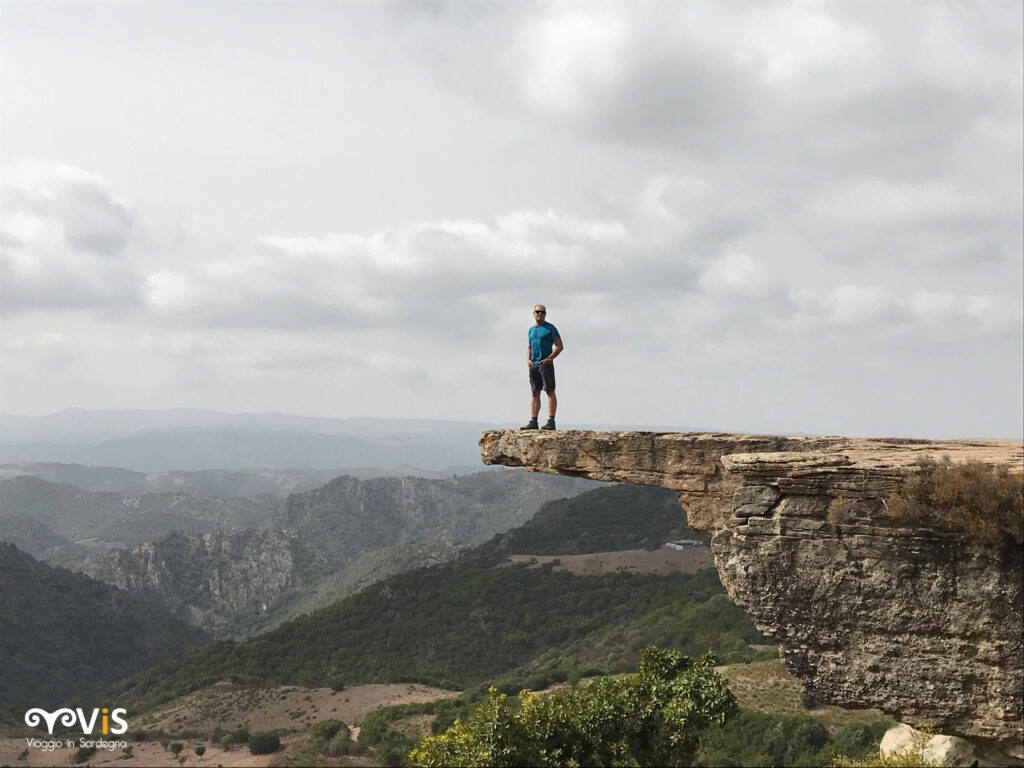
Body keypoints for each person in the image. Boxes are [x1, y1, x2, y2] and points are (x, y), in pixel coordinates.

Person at [521, 304, 563, 430]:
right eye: (537, 312)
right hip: (533, 364)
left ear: (545, 314)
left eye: (542, 312)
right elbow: (529, 345)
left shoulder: (550, 328)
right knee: (535, 392)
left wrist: (549, 358)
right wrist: (528, 359)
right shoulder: (531, 330)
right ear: (533, 313)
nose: (540, 314)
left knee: (549, 390)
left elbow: (559, 346)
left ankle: (551, 421)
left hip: (545, 364)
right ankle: (533, 421)